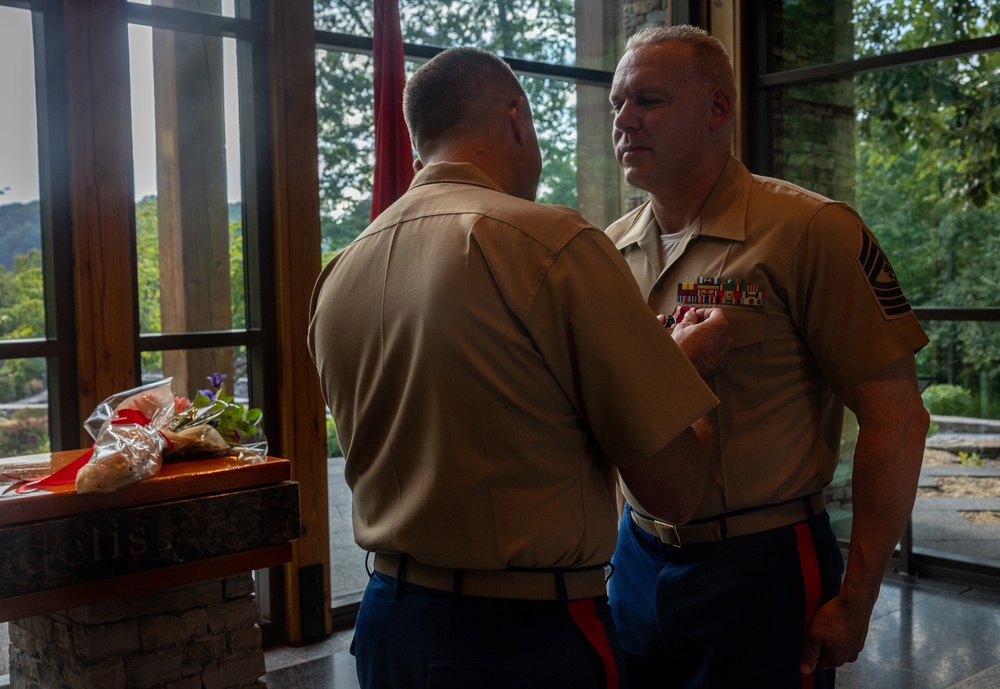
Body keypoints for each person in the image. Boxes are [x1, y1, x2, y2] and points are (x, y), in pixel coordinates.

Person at [308, 46, 731, 689]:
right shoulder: (551, 245)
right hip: (519, 636)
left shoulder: (340, 273)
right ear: (517, 119)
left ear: (422, 143)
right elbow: (670, 491)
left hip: (386, 628)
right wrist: (681, 370)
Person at [605, 25, 931, 689]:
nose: (625, 121)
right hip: (636, 559)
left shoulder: (810, 230)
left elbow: (897, 418)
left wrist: (858, 598)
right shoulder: (606, 254)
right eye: (616, 104)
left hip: (761, 565)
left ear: (717, 110)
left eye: (649, 100)